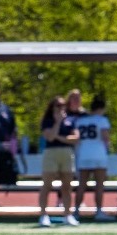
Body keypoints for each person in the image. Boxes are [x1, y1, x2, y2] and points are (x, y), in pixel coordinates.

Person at [37, 95, 78, 227]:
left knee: (67, 187)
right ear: (52, 107)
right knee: (47, 185)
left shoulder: (71, 120)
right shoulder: (47, 121)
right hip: (51, 154)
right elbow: (49, 137)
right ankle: (43, 215)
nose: (61, 107)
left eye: (63, 105)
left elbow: (75, 138)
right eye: (58, 105)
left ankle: (68, 215)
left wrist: (59, 137)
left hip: (67, 154)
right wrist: (58, 122)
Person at [73, 95, 114, 222]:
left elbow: (77, 140)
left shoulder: (80, 121)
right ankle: (99, 211)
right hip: (98, 155)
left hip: (83, 154)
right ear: (102, 108)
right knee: (99, 185)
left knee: (81, 185)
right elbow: (105, 137)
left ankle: (76, 211)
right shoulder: (102, 120)